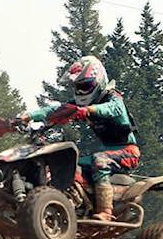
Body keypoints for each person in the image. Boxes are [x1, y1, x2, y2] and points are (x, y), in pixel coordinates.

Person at [14, 55, 140, 221]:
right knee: (70, 164)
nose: (80, 92)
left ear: (98, 81)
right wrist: (27, 116)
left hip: (128, 152)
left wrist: (89, 109)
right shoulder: (81, 103)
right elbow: (56, 109)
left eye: (85, 86)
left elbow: (113, 109)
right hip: (106, 150)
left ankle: (105, 211)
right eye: (77, 87)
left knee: (99, 160)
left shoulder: (113, 98)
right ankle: (76, 203)